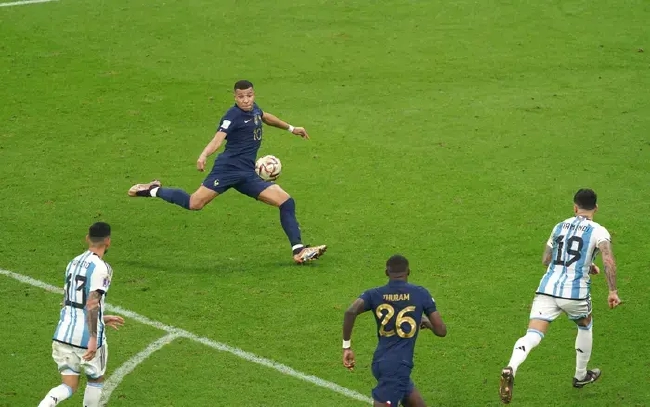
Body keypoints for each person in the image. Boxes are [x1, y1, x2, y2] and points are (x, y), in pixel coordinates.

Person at [127, 80, 326, 264]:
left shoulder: (255, 109)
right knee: (194, 203)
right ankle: (152, 190)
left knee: (286, 201)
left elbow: (265, 117)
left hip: (247, 174)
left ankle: (298, 251)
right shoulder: (232, 116)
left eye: (249, 96)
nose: (246, 100)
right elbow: (218, 139)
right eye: (241, 97)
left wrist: (291, 128)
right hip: (227, 170)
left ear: (254, 95)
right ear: (235, 97)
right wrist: (204, 155)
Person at [499, 188, 621, 404]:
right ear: (596, 208)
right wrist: (612, 290)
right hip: (575, 294)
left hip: (547, 289)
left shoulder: (559, 226)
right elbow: (608, 259)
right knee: (585, 325)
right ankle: (580, 375)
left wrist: (586, 264)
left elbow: (546, 259)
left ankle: (511, 366)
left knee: (533, 334)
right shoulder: (599, 231)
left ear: (575, 207)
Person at [341, 255, 447, 407]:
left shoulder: (374, 294)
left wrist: (347, 347)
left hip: (381, 362)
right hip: (398, 366)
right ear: (408, 271)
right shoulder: (420, 293)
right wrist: (426, 322)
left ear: (386, 272)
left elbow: (350, 311)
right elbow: (441, 330)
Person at [38, 222, 124, 407]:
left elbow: (69, 300)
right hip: (87, 337)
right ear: (108, 241)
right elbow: (92, 303)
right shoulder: (102, 268)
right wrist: (92, 338)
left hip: (63, 333)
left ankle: (46, 403)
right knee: (96, 379)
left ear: (87, 239)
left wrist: (102, 318)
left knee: (68, 385)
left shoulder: (73, 262)